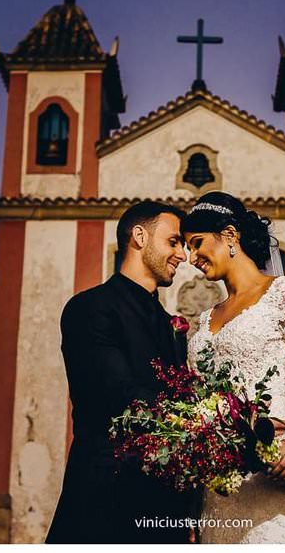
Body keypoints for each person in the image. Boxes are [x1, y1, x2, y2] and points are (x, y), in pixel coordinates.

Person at [181, 191, 285, 544]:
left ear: (230, 236)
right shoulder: (204, 319)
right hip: (220, 492)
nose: (191, 257)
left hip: (275, 480)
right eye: (187, 248)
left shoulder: (284, 293)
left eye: (197, 244)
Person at [46, 201, 196, 544]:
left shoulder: (172, 326)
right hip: (104, 503)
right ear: (139, 237)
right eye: (174, 242)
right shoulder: (90, 307)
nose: (183, 256)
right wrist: (202, 422)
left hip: (165, 512)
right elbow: (117, 395)